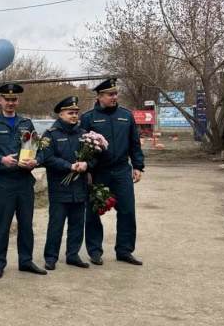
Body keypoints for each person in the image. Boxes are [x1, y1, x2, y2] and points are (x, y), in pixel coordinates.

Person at [0, 83, 47, 279]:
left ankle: (25, 261)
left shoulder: (27, 123)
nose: (10, 103)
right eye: (7, 99)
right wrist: (1, 159)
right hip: (4, 182)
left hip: (24, 181)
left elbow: (36, 149)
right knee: (2, 225)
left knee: (26, 224)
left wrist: (34, 161)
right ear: (0, 101)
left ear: (18, 101)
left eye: (14, 99)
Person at [80, 78, 145, 266]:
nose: (114, 97)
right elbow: (82, 147)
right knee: (93, 212)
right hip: (98, 171)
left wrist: (138, 166)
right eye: (110, 94)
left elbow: (134, 143)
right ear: (100, 96)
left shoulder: (126, 116)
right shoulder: (88, 118)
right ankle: (95, 251)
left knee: (127, 211)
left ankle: (124, 250)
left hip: (122, 170)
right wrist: (88, 170)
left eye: (116, 93)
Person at [37, 96, 95, 270]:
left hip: (79, 187)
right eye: (70, 113)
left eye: (76, 113)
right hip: (60, 187)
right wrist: (69, 166)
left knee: (77, 224)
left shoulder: (84, 134)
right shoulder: (50, 134)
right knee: (56, 224)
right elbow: (47, 158)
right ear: (61, 114)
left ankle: (73, 255)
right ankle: (51, 257)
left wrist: (87, 164)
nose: (74, 116)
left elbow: (94, 157)